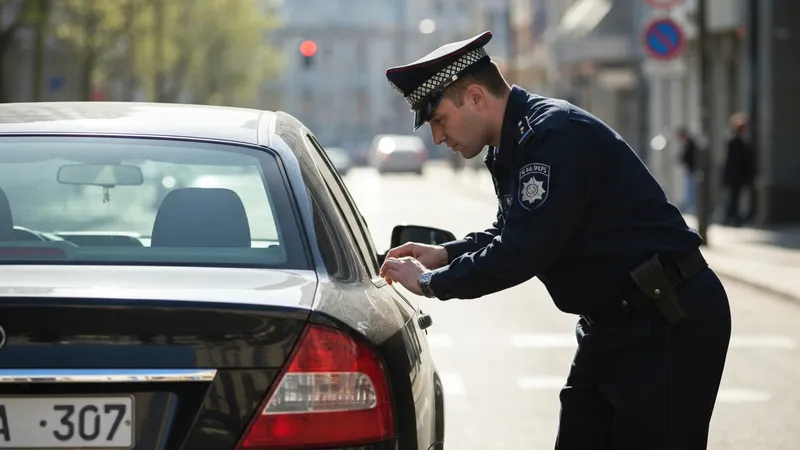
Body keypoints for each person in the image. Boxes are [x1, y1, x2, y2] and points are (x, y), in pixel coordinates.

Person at [380, 31, 732, 450]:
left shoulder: (551, 135)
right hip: (614, 324)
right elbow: (511, 230)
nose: (437, 138)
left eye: (439, 120)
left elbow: (523, 251)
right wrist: (444, 253)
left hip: (667, 319)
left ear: (475, 97)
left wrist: (429, 283)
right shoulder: (514, 142)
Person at [722, 113, 757, 226]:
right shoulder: (734, 142)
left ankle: (733, 217)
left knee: (736, 198)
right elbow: (732, 161)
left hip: (741, 176)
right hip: (736, 176)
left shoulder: (743, 141)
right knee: (734, 198)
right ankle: (732, 217)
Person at [676, 126, 698, 214]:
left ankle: (691, 207)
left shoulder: (690, 143)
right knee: (688, 189)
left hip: (691, 170)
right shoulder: (688, 143)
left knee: (690, 189)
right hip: (689, 169)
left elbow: (688, 157)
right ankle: (690, 206)